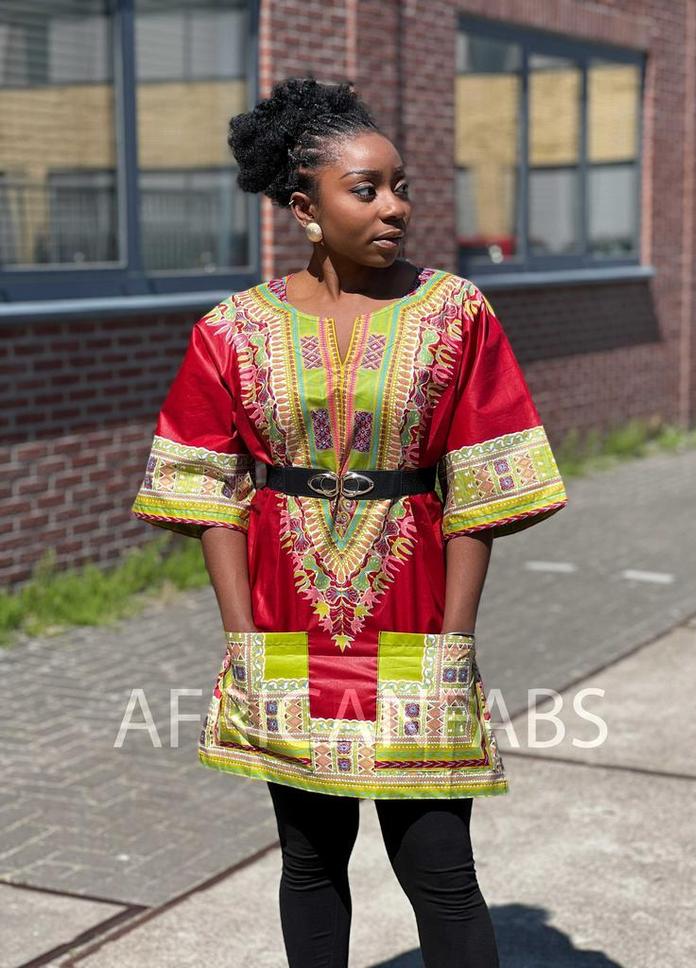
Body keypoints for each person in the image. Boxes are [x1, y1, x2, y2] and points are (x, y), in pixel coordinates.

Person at [131, 75, 568, 968]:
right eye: (366, 189)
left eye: (400, 186)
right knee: (309, 862)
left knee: (441, 870)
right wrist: (244, 639)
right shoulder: (233, 330)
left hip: (413, 628)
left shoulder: (455, 313)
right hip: (285, 630)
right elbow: (210, 485)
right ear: (305, 206)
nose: (395, 207)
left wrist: (454, 642)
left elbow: (481, 484)